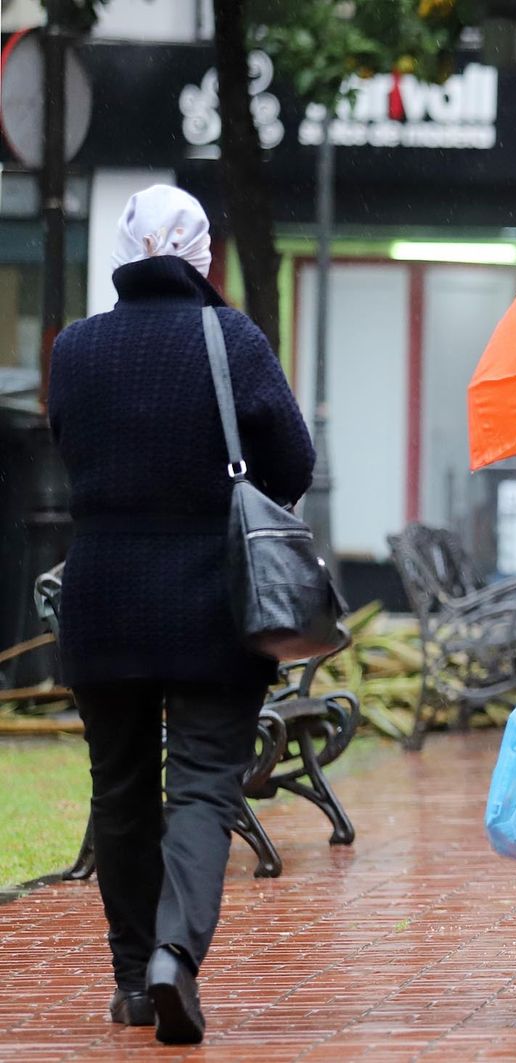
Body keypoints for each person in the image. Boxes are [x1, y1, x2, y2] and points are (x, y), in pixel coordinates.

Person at [46, 185, 315, 1044]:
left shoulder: (77, 347)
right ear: (202, 257)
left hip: (104, 597)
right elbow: (294, 458)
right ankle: (172, 955)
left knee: (119, 789)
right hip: (211, 602)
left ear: (126, 254)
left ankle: (130, 979)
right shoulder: (228, 337)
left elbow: (68, 447)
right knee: (201, 785)